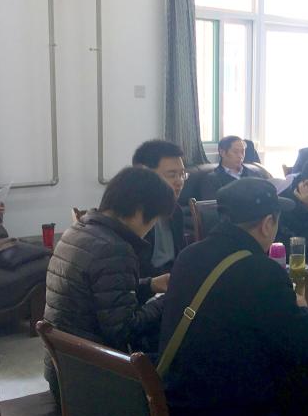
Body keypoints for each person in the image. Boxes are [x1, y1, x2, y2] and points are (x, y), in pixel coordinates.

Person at [158, 178, 308, 416]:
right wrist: (302, 307)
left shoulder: (188, 256)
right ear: (268, 223)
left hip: (173, 415)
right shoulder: (261, 272)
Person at [42, 167, 174, 399]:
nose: (150, 229)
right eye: (153, 221)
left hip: (62, 371)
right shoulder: (115, 249)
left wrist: (151, 285)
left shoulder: (78, 230)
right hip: (92, 382)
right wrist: (166, 301)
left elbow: (101, 296)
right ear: (140, 211)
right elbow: (124, 330)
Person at [132, 139, 188, 275]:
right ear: (145, 175)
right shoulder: (132, 215)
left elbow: (182, 258)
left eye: (182, 174)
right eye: (172, 175)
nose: (179, 182)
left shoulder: (176, 211)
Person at [198, 135, 250, 199]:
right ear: (222, 152)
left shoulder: (253, 174)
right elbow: (213, 204)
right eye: (235, 152)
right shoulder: (211, 180)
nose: (240, 156)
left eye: (242, 151)